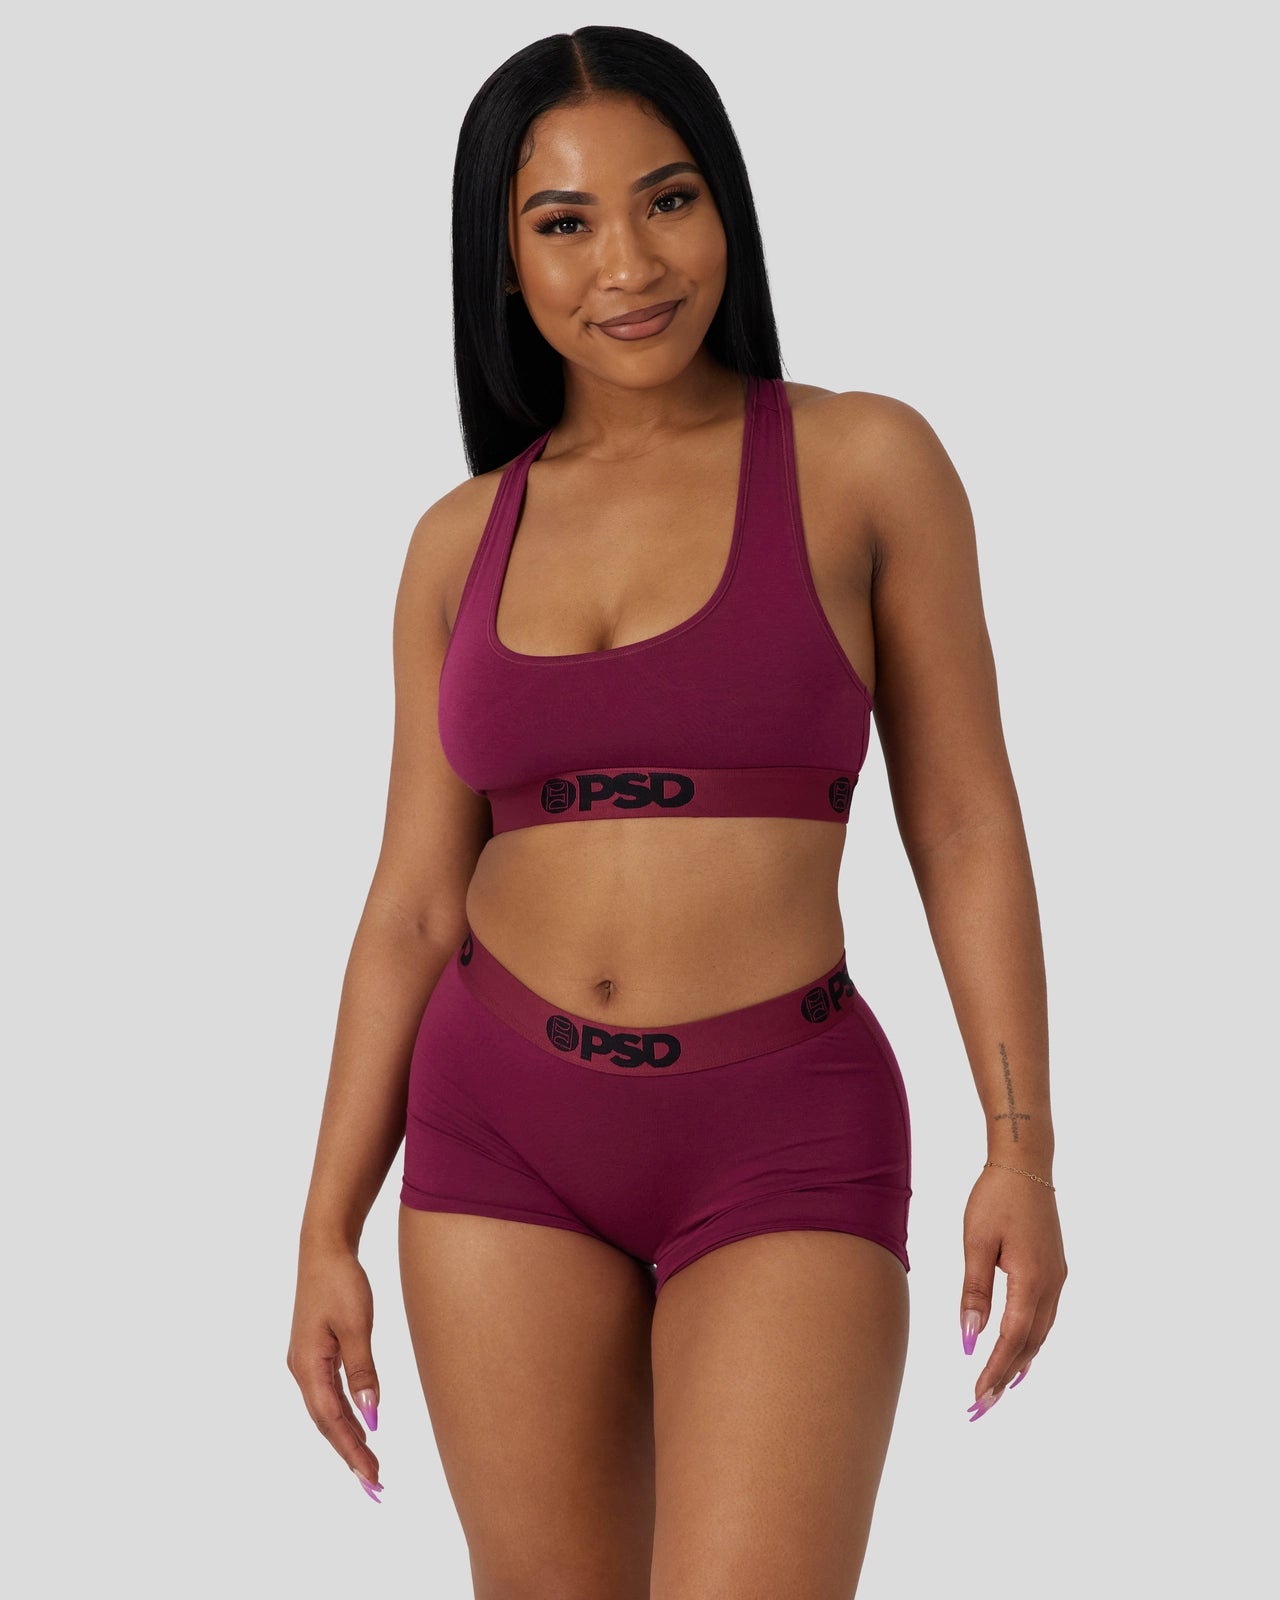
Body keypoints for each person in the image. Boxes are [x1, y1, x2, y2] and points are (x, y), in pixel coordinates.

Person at [287, 23, 1068, 1598]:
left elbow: (966, 827)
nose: (629, 265)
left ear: (728, 208)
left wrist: (1022, 1148)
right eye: (564, 222)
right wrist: (324, 1227)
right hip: (498, 1131)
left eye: (670, 200)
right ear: (505, 259)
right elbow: (415, 905)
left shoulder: (864, 461)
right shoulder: (458, 541)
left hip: (784, 1128)